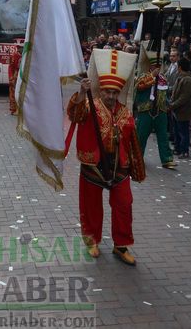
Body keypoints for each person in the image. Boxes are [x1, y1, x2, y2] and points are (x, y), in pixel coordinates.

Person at [67, 49, 145, 266]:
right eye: (107, 92)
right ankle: (92, 240)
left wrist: (136, 168)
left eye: (114, 92)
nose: (111, 96)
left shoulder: (125, 113)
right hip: (93, 165)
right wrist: (82, 93)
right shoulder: (90, 106)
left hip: (119, 167)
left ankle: (121, 246)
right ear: (100, 90)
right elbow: (74, 115)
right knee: (91, 205)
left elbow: (132, 142)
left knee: (124, 204)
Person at [135, 40, 176, 168]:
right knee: (141, 136)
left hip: (160, 111)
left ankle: (167, 159)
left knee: (163, 136)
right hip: (145, 111)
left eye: (159, 66)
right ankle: (137, 158)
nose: (158, 68)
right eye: (155, 66)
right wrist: (152, 76)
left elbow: (166, 94)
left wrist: (168, 104)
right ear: (150, 67)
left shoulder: (163, 78)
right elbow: (139, 87)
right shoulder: (143, 76)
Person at [168, 58, 191, 158]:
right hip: (176, 110)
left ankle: (184, 151)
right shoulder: (180, 77)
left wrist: (172, 105)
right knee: (176, 131)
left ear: (180, 67)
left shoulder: (188, 80)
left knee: (183, 132)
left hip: (183, 111)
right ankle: (177, 148)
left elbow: (184, 98)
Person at [8, 44, 22, 115]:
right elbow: (10, 67)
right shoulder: (14, 56)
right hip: (15, 77)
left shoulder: (25, 56)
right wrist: (11, 78)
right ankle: (14, 109)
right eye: (21, 48)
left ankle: (20, 109)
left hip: (21, 77)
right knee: (14, 94)